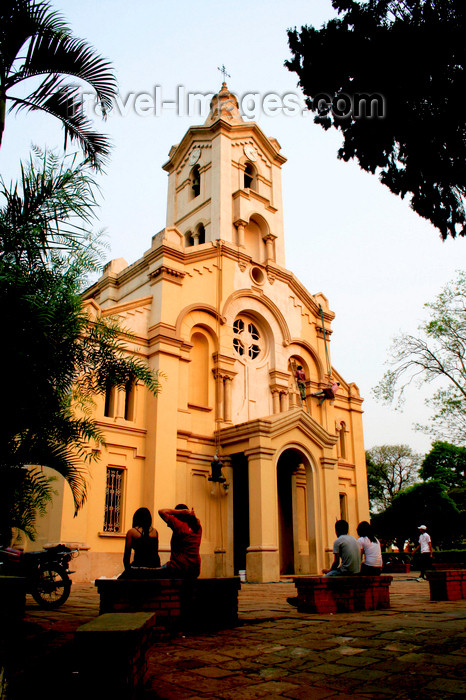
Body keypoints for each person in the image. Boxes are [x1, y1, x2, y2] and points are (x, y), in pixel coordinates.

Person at [158, 504, 202, 579]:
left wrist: (179, 512)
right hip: (195, 569)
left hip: (178, 568)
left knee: (155, 574)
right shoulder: (198, 527)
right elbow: (195, 520)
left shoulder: (179, 526)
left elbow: (161, 512)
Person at [121, 507, 160, 576]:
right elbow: (156, 552)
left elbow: (127, 556)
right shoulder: (155, 532)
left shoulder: (132, 532)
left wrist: (128, 571)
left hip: (138, 567)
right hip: (154, 567)